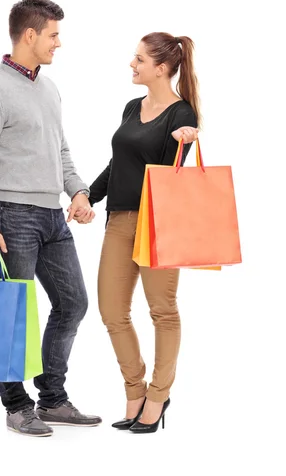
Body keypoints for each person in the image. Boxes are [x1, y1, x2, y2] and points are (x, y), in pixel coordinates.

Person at [0, 0, 101, 438]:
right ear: (30, 35)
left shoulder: (49, 88)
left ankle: (53, 398)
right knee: (14, 314)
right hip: (12, 215)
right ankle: (16, 405)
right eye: (54, 35)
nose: (59, 43)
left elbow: (60, 151)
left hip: (52, 217)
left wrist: (78, 190)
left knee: (73, 302)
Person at [74, 32, 200, 434]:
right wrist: (88, 197)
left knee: (162, 311)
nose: (132, 64)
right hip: (120, 221)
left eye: (139, 59)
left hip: (158, 223)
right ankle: (135, 389)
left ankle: (158, 396)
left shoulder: (183, 115)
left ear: (161, 68)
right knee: (112, 311)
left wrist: (185, 143)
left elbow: (171, 177)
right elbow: (118, 165)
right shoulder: (132, 107)